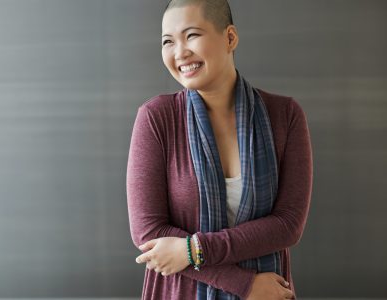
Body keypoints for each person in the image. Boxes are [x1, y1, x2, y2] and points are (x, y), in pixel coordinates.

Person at [126, 0, 313, 299]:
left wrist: (192, 250)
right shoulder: (156, 117)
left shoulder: (285, 115)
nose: (180, 52)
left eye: (192, 35)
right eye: (168, 41)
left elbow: (288, 224)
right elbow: (149, 233)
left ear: (230, 38)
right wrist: (244, 284)